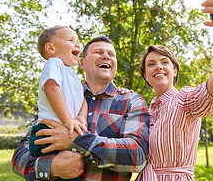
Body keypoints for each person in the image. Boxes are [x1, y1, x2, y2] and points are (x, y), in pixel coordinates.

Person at [137, 0, 213, 180]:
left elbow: (211, 92)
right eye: (151, 64)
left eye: (165, 62)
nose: (158, 67)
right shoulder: (144, 113)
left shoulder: (184, 100)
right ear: (146, 76)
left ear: (175, 71)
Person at [12, 36, 150, 181]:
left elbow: (137, 155)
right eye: (98, 52)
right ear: (82, 63)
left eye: (111, 54)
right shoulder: (60, 96)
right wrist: (50, 167)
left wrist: (78, 141)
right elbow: (19, 156)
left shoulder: (131, 100)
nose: (106, 56)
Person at [29, 26, 87, 181]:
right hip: (48, 130)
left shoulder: (73, 74)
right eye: (71, 40)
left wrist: (81, 118)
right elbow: (51, 88)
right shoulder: (54, 63)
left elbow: (82, 101)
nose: (77, 45)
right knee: (67, 167)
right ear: (51, 48)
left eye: (78, 42)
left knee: (71, 168)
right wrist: (68, 120)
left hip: (66, 131)